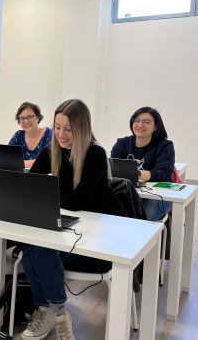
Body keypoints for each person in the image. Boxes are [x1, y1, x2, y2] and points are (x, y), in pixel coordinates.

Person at [20, 99, 124, 340]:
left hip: (94, 239)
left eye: (69, 129)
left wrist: (47, 199)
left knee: (37, 248)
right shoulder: (51, 150)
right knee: (32, 248)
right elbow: (30, 185)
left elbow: (78, 200)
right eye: (57, 127)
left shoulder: (95, 153)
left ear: (83, 128)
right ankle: (55, 312)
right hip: (65, 230)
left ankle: (51, 311)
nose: (61, 134)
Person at [111, 106, 175, 221]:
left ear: (156, 126)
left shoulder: (165, 146)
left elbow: (164, 173)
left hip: (159, 196)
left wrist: (137, 174)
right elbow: (113, 169)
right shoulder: (121, 144)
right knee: (111, 216)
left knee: (141, 220)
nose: (140, 125)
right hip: (127, 192)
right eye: (136, 120)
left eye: (146, 122)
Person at [8, 102, 52, 169]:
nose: (26, 121)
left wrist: (20, 163)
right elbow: (7, 158)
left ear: (38, 117)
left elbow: (48, 162)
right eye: (22, 118)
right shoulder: (18, 135)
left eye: (30, 117)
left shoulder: (49, 135)